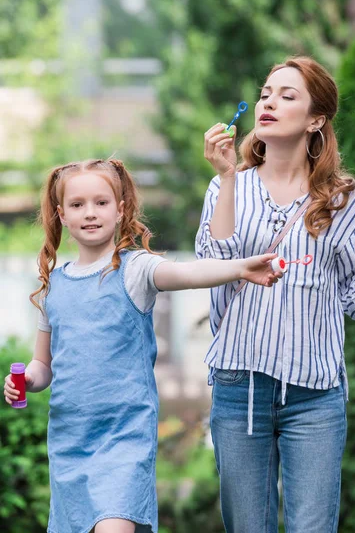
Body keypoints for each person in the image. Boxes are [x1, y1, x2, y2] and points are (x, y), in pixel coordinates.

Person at [196, 57, 355, 533]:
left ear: (316, 119)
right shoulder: (224, 186)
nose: (269, 101)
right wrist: (230, 176)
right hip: (240, 388)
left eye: (287, 95)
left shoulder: (341, 200)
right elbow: (214, 267)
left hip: (314, 396)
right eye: (265, 93)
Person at [3, 158, 280, 533]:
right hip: (70, 440)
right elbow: (43, 364)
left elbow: (188, 273)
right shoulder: (54, 286)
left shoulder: (135, 270)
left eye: (101, 203)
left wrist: (240, 268)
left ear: (120, 211)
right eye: (77, 205)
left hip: (123, 438)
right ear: (61, 215)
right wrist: (26, 380)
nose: (90, 213)